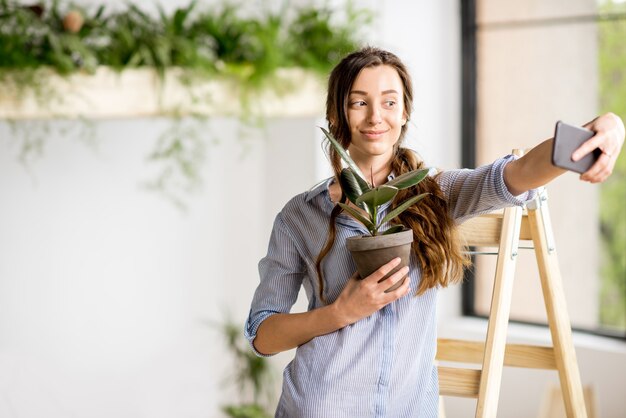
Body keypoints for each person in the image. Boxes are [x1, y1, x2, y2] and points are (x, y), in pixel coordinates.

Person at [244, 47, 625, 417]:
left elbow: (518, 174)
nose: (376, 116)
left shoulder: (434, 194)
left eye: (389, 102)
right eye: (359, 102)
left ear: (405, 111)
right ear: (337, 113)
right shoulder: (300, 215)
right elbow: (262, 333)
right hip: (320, 406)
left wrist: (606, 127)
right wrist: (341, 312)